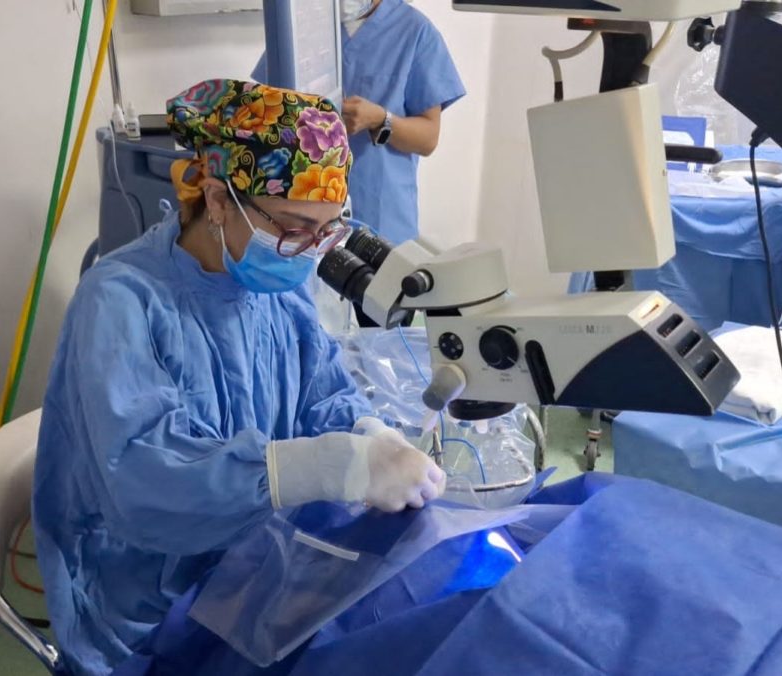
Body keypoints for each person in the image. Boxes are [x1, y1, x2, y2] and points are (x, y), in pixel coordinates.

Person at [32, 79, 446, 676]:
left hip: (252, 566)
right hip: (147, 605)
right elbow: (143, 483)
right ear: (218, 198)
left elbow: (321, 392)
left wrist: (371, 434)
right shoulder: (120, 302)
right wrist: (319, 466)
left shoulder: (274, 286)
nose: (309, 250)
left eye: (327, 229)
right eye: (294, 227)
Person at [253, 0, 466, 246]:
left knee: (377, 268)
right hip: (306, 213)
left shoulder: (415, 31)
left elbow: (427, 139)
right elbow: (267, 105)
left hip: (381, 214)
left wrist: (380, 119)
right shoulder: (304, 25)